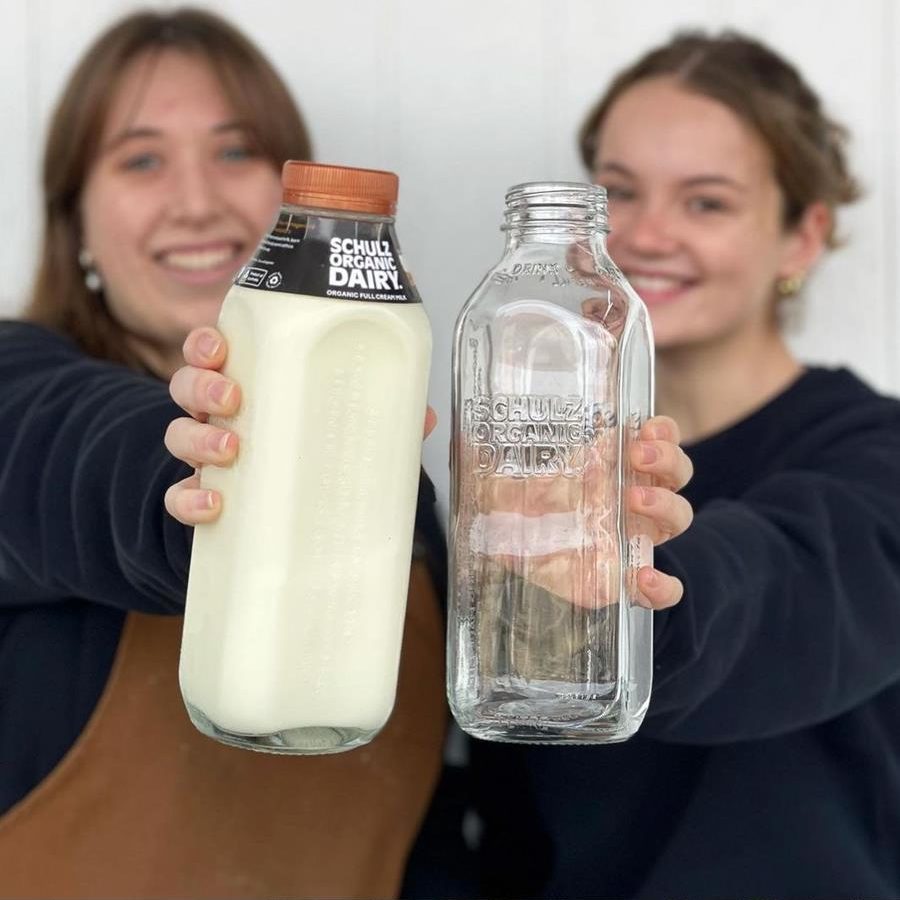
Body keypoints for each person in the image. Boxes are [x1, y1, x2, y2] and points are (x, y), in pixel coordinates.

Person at [0, 9, 450, 899]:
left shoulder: (393, 474)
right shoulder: (18, 387)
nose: (198, 201)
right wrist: (205, 474)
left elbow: (437, 826)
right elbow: (68, 455)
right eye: (140, 158)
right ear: (74, 219)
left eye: (237, 152)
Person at [448, 30, 900, 900]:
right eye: (619, 192)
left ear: (803, 238)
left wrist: (634, 582)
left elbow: (787, 580)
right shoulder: (527, 470)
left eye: (707, 203)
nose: (648, 235)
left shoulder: (875, 455)